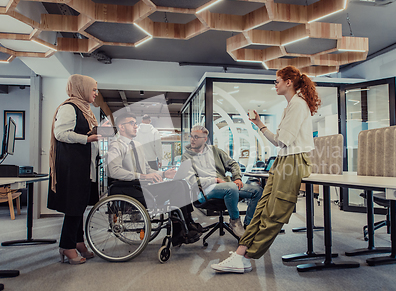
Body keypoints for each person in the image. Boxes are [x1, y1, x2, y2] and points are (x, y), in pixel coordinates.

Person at [211, 65, 320, 273]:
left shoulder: (298, 105)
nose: (275, 85)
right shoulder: (290, 106)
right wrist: (259, 123)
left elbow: (283, 140)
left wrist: (265, 128)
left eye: (277, 81)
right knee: (262, 209)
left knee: (273, 214)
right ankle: (240, 254)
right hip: (284, 160)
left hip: (293, 161)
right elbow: (280, 142)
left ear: (289, 82)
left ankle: (247, 255)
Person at [107, 111, 202, 242]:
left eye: (136, 123)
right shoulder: (116, 145)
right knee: (176, 187)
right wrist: (143, 176)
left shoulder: (138, 145)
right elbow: (113, 171)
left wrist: (163, 173)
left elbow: (146, 169)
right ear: (121, 127)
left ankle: (188, 222)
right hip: (129, 190)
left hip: (142, 187)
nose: (136, 126)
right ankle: (179, 230)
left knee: (182, 183)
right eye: (132, 123)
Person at [47, 74, 100, 265]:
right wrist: (87, 139)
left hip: (83, 165)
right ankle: (66, 246)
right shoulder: (69, 108)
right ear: (82, 88)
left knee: (79, 205)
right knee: (73, 207)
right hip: (72, 166)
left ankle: (78, 242)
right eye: (93, 89)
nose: (96, 93)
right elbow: (60, 133)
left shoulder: (85, 109)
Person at [181, 125, 263, 237]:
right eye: (191, 136)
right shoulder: (186, 157)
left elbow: (233, 164)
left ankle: (248, 226)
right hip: (202, 190)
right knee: (231, 187)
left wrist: (237, 177)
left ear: (205, 139)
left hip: (225, 186)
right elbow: (191, 179)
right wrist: (215, 180)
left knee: (257, 190)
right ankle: (235, 221)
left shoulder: (215, 151)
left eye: (196, 137)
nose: (192, 139)